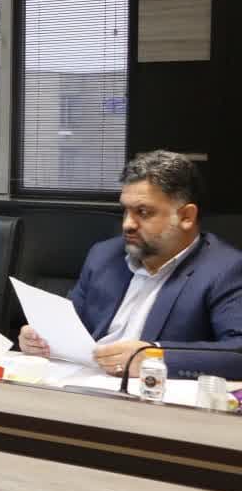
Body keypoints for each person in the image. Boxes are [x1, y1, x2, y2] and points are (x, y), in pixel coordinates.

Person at [19, 150, 242, 379]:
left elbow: (238, 352)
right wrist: (39, 338)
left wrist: (153, 357)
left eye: (143, 212)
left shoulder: (226, 269)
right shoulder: (104, 255)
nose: (127, 224)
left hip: (150, 393)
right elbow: (70, 325)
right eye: (125, 210)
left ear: (186, 217)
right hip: (81, 383)